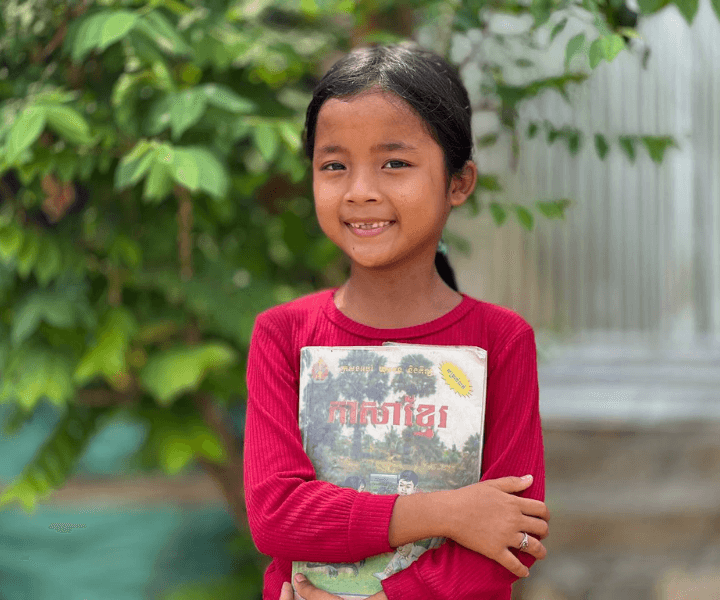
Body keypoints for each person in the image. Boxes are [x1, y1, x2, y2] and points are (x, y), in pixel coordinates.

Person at [243, 43, 549, 600]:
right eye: (334, 165)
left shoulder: (500, 342)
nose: (360, 190)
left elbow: (512, 538)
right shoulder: (282, 335)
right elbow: (277, 515)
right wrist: (448, 512)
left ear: (459, 182)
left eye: (395, 163)